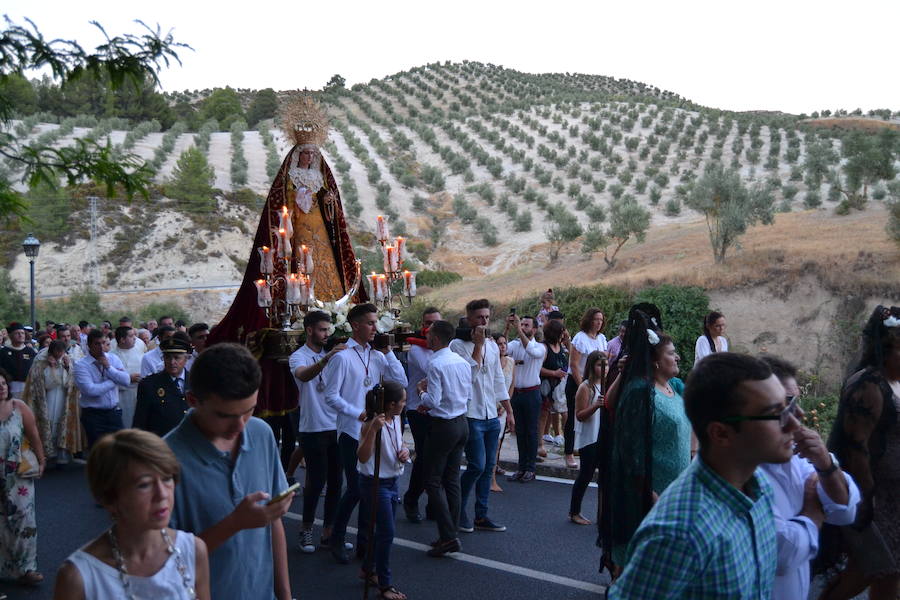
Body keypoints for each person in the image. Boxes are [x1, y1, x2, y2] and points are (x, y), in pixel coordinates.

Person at [609, 353, 793, 599]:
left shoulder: (760, 490)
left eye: (789, 406)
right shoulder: (679, 532)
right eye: (775, 413)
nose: (795, 423)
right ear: (721, 433)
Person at [165, 343, 294, 600]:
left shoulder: (261, 433)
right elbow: (161, 562)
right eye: (225, 415)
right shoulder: (162, 461)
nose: (240, 425)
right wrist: (235, 524)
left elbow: (273, 522)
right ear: (193, 400)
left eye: (249, 411)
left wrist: (285, 596)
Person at [53, 429, 210, 600]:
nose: (162, 494)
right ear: (109, 498)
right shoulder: (78, 578)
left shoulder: (193, 550)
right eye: (144, 485)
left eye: (167, 478)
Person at [757, 355, 859, 600]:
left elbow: (844, 511)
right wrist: (813, 509)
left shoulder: (795, 454)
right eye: (786, 406)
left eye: (796, 403)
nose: (799, 416)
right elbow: (785, 553)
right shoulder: (744, 469)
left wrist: (825, 464)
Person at [820, 305, 900, 600]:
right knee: (875, 570)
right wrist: (868, 501)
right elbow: (856, 449)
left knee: (884, 572)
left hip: (895, 498)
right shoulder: (868, 385)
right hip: (873, 498)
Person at [608, 307, 692, 567]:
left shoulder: (674, 388)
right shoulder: (640, 392)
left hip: (676, 489)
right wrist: (649, 494)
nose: (677, 356)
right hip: (652, 494)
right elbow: (629, 450)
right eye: (671, 353)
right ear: (655, 360)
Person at [323, 303, 407, 564]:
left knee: (369, 488)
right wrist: (357, 413)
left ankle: (363, 543)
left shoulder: (377, 357)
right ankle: (336, 537)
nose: (375, 328)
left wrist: (389, 352)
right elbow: (331, 396)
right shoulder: (342, 357)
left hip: (375, 428)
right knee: (358, 489)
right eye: (370, 323)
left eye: (376, 323)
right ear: (356, 325)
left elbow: (401, 382)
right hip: (352, 431)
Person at [449, 299, 513, 533]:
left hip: (491, 415)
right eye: (479, 317)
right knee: (476, 465)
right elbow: (469, 376)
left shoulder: (493, 345)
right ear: (468, 318)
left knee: (489, 468)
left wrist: (509, 409)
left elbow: (497, 378)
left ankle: (481, 515)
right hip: (471, 413)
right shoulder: (456, 345)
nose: (484, 321)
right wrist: (477, 346)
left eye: (487, 317)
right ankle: (458, 511)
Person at [287, 310, 347, 553]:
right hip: (313, 427)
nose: (326, 334)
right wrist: (326, 360)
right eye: (322, 329)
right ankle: (306, 529)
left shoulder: (331, 354)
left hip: (336, 426)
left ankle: (329, 532)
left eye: (328, 330)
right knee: (315, 481)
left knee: (336, 481)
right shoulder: (298, 356)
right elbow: (304, 375)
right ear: (310, 330)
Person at [416, 320, 471, 557]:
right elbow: (465, 394)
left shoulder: (435, 363)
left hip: (444, 426)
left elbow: (434, 401)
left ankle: (448, 536)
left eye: (429, 336)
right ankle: (451, 531)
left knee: (432, 480)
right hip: (462, 422)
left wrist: (421, 392)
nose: (427, 339)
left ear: (436, 339)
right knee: (452, 479)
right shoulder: (461, 361)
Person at [357, 381, 409, 600]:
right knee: (387, 533)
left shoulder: (396, 419)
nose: (405, 404)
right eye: (402, 401)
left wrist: (405, 451)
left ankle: (369, 570)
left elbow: (399, 443)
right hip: (375, 483)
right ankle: (385, 585)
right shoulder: (370, 424)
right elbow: (362, 456)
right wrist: (373, 431)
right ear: (390, 405)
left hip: (392, 481)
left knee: (381, 532)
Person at [0, 368, 45, 586]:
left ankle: (27, 568)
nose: (1, 388)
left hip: (18, 475)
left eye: (3, 383)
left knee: (23, 519)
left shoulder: (19, 407)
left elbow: (34, 434)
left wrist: (42, 458)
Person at [402, 306, 442, 523]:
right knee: (425, 456)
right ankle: (412, 499)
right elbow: (433, 370)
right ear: (422, 325)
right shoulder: (417, 349)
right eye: (427, 323)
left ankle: (433, 503)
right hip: (417, 409)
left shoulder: (446, 347)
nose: (430, 327)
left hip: (437, 409)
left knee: (436, 458)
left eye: (435, 323)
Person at [22, 340, 83, 465]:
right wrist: (52, 368)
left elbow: (71, 381)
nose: (60, 354)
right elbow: (42, 383)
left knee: (61, 423)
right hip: (47, 397)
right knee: (49, 421)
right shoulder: (41, 362)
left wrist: (66, 367)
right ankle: (46, 453)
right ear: (52, 351)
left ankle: (61, 453)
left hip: (63, 397)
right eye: (58, 351)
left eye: (62, 351)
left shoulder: (67, 360)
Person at [505, 314, 546, 483]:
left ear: (535, 329)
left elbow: (531, 351)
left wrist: (519, 331)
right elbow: (503, 349)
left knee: (531, 431)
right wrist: (507, 329)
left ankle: (530, 468)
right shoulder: (515, 344)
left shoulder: (540, 347)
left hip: (531, 393)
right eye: (521, 324)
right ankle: (521, 467)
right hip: (517, 393)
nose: (522, 327)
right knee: (519, 432)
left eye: (526, 325)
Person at [74, 330, 131, 448]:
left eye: (103, 343)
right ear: (89, 345)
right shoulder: (81, 365)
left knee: (119, 450)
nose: (101, 347)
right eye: (97, 344)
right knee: (99, 451)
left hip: (114, 412)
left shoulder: (113, 359)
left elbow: (126, 380)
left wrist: (109, 368)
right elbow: (91, 390)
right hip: (94, 416)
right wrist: (114, 380)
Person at [569, 350, 606, 525]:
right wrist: (595, 406)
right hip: (589, 438)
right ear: (592, 366)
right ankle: (574, 512)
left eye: (605, 365)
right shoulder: (586, 387)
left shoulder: (605, 385)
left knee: (605, 477)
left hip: (602, 436)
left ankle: (602, 514)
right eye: (600, 365)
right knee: (585, 475)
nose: (603, 369)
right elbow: (579, 415)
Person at [566, 309, 607, 470]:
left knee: (594, 418)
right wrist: (581, 385)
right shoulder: (580, 338)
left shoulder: (602, 339)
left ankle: (590, 449)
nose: (598, 323)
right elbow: (574, 364)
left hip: (596, 384)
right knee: (572, 417)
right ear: (589, 320)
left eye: (601, 320)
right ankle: (569, 452)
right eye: (596, 319)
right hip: (579, 382)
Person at [133, 337, 192, 438]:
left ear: (186, 359)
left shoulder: (197, 382)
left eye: (177, 357)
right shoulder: (149, 384)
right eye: (168, 357)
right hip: (162, 443)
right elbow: (140, 421)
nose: (172, 362)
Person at [538, 319, 568, 464]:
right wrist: (554, 373)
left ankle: (568, 442)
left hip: (558, 386)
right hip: (546, 386)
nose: (564, 334)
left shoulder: (560, 346)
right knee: (543, 415)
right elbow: (538, 368)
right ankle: (540, 445)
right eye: (561, 331)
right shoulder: (544, 347)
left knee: (562, 413)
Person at [492, 333, 515, 492]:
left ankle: (491, 476)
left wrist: (507, 408)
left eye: (504, 343)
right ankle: (490, 478)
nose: (502, 346)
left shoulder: (511, 362)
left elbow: (511, 386)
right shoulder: (490, 362)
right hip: (489, 407)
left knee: (497, 445)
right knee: (491, 444)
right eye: (499, 344)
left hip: (503, 408)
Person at [111, 326, 144, 428]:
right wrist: (128, 379)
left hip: (138, 394)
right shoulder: (111, 357)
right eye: (131, 336)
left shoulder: (140, 354)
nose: (135, 338)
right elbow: (110, 378)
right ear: (122, 339)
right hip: (120, 397)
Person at [0, 322, 38, 399]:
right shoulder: (3, 352)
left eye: (22, 333)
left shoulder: (30, 351)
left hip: (28, 387)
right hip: (9, 388)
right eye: (17, 333)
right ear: (10, 336)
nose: (20, 335)